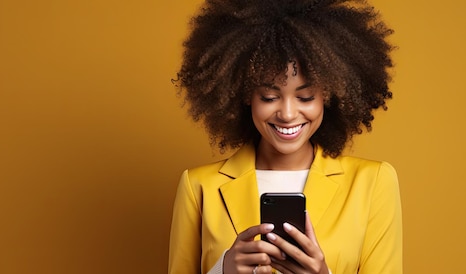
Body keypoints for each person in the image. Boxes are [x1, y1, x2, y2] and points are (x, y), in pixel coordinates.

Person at [168, 0, 402, 273]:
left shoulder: (372, 183)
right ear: (245, 96)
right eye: (269, 97)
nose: (288, 114)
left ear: (328, 96)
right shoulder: (198, 187)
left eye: (305, 97)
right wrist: (223, 270)